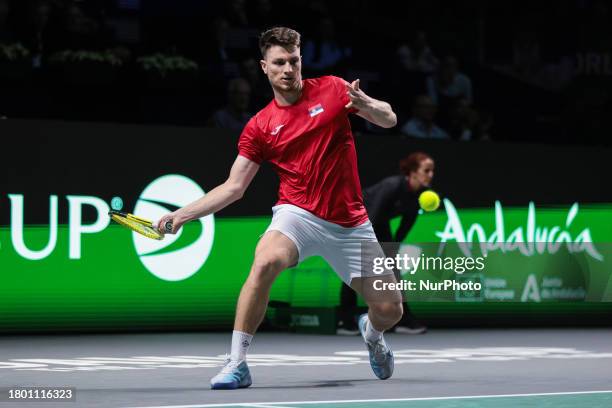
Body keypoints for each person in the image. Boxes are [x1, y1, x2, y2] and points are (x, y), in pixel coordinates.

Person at [157, 27, 402, 390]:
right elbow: (234, 187)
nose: (288, 69)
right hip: (298, 214)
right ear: (264, 67)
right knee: (265, 260)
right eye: (279, 62)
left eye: (294, 60)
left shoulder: (334, 90)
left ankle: (371, 333)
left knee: (390, 310)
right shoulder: (259, 127)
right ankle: (237, 363)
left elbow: (389, 119)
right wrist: (182, 215)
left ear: (301, 60)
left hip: (350, 223)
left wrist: (367, 105)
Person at [337, 152, 435, 335]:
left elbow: (405, 225)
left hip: (379, 223)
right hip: (357, 218)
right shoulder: (392, 185)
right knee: (356, 267)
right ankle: (345, 320)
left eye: (432, 171)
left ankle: (403, 320)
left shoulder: (419, 196)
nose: (430, 175)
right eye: (426, 170)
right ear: (413, 172)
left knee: (393, 268)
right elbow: (371, 216)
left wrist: (392, 250)